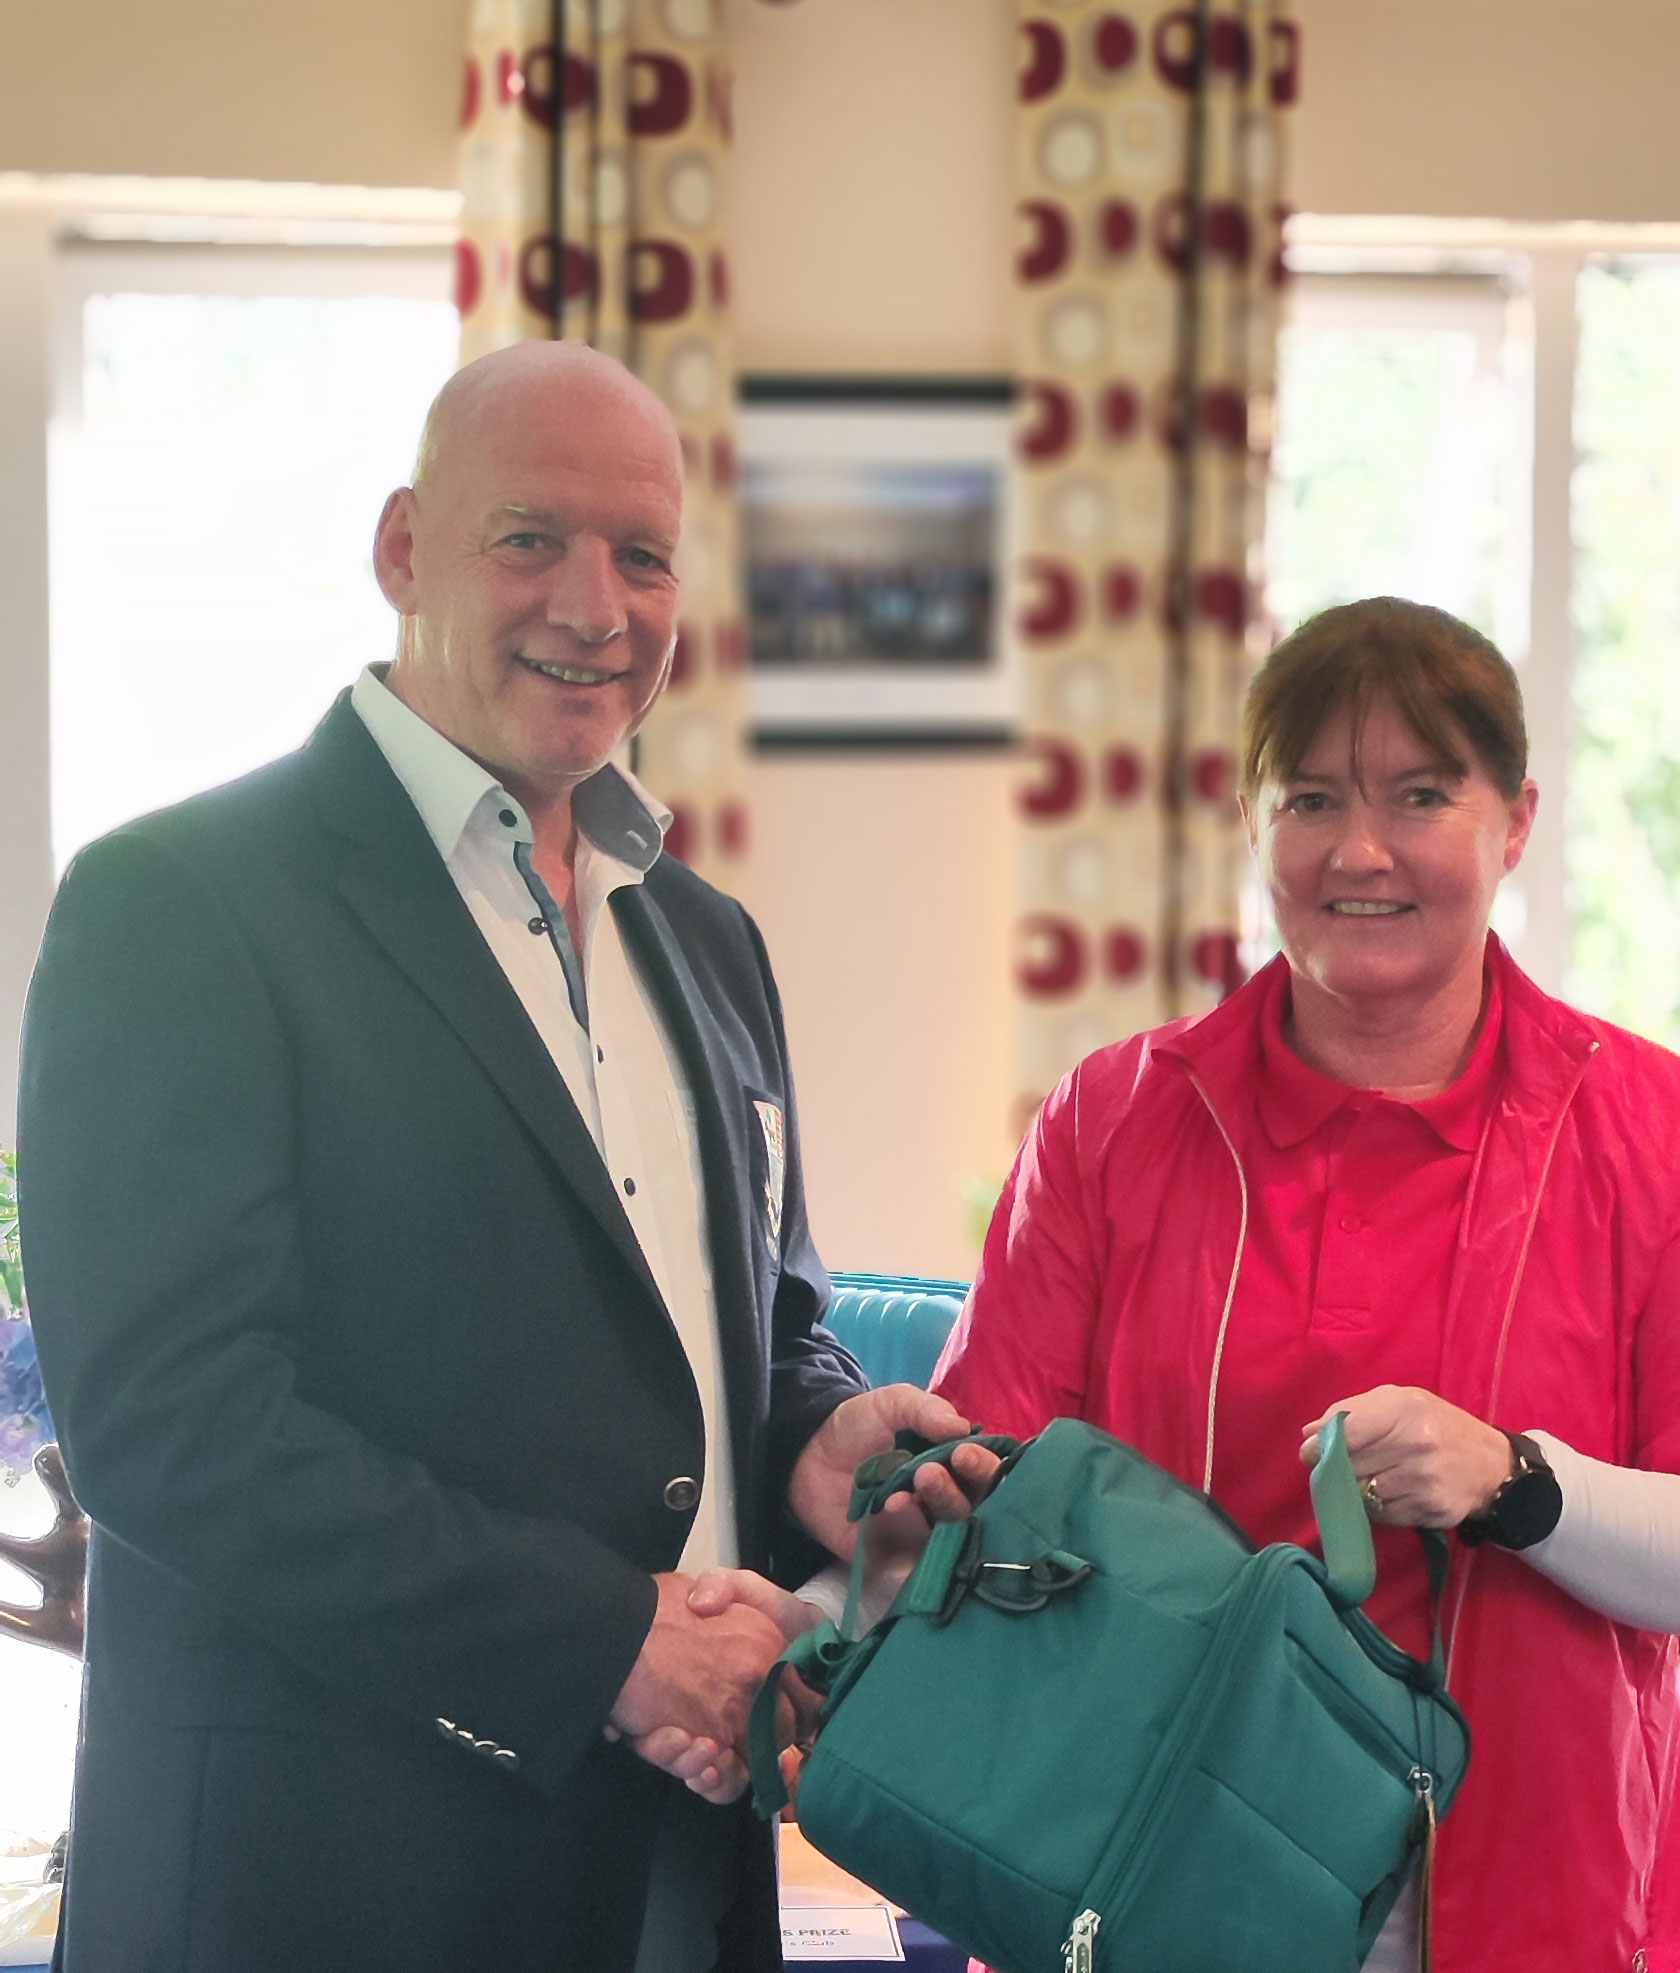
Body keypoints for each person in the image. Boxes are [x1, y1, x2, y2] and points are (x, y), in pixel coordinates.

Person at [17, 340, 970, 1973]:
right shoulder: (178, 904)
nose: (596, 606)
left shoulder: (710, 942)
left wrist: (817, 1438)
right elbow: (174, 1428)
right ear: (403, 547)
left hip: (682, 1870)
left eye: (645, 554)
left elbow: (759, 1314)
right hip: (322, 1888)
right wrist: (603, 1643)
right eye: (530, 537)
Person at [924, 598, 1680, 1973]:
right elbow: (977, 1498)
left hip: (1562, 1914)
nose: (1361, 849)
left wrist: (1522, 1480)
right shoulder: (1112, 1121)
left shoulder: (1667, 1133)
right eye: (1313, 798)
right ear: (1255, 825)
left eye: (1420, 795)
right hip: (1165, 1898)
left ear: (1514, 821)